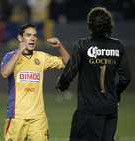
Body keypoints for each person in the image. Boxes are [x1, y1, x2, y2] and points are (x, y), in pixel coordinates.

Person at [56, 7, 131, 141]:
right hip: (110, 109)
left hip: (88, 111)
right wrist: (116, 94)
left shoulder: (83, 45)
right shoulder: (118, 46)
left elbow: (69, 72)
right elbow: (126, 78)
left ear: (90, 25)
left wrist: (61, 84)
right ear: (109, 24)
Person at [0, 23, 69, 141]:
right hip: (16, 117)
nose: (32, 38)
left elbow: (68, 64)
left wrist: (59, 47)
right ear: (20, 38)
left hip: (38, 118)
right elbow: (4, 74)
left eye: (34, 36)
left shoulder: (41, 57)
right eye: (28, 35)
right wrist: (19, 52)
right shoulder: (10, 56)